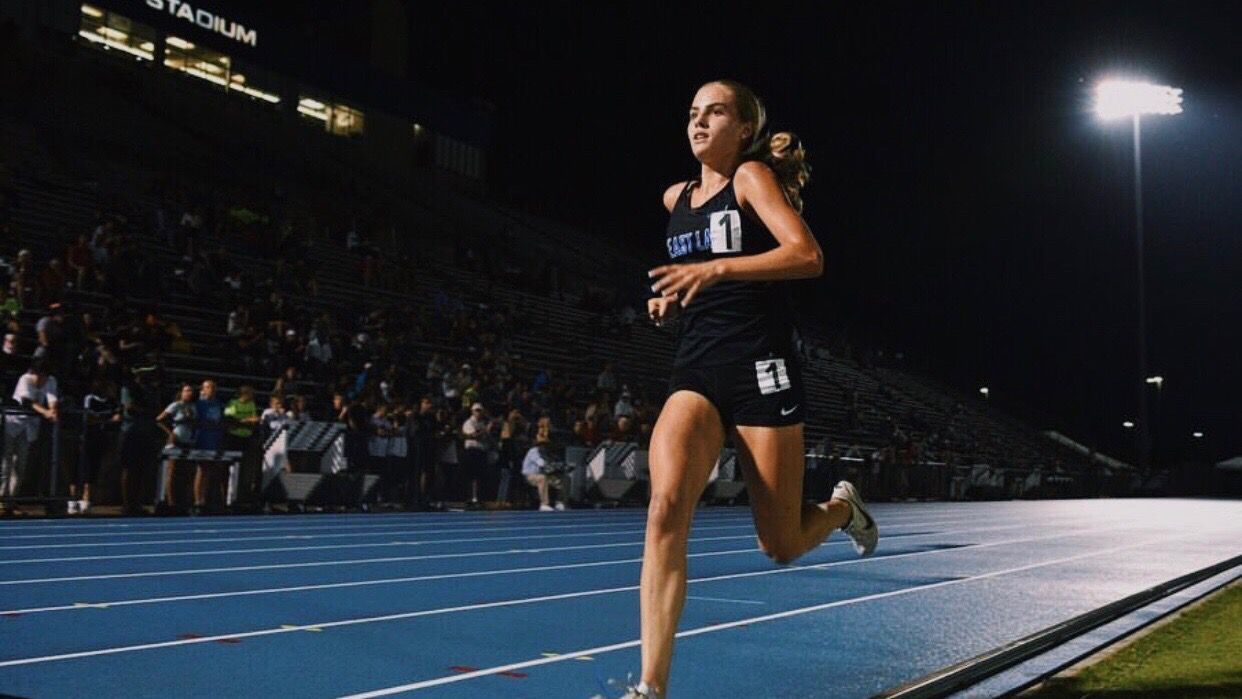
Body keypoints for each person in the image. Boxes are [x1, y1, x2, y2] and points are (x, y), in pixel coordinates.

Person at [625, 80, 879, 699]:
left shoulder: (751, 179)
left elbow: (806, 254)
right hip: (698, 369)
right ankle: (650, 688)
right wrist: (671, 300)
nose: (699, 122)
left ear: (744, 129)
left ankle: (845, 508)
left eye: (714, 112)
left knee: (781, 542)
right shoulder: (675, 197)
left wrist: (716, 268)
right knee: (664, 510)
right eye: (692, 113)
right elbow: (697, 280)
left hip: (762, 366)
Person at [2, 359, 58, 505]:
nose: (38, 378)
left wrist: (52, 410)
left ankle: (10, 501)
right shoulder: (25, 379)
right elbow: (27, 401)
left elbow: (52, 398)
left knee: (20, 466)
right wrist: (46, 412)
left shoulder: (50, 380)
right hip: (12, 425)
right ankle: (1, 499)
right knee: (5, 463)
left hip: (29, 428)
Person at [72, 378, 119, 515]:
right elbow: (88, 418)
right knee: (80, 467)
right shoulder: (90, 399)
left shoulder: (111, 402)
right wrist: (107, 420)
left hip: (100, 439)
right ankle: (74, 498)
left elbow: (117, 417)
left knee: (94, 469)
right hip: (86, 437)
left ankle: (87, 498)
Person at [155, 383, 196, 509]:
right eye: (187, 390)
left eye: (191, 391)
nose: (189, 393)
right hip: (176, 440)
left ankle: (183, 500)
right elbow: (159, 419)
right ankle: (170, 501)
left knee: (186, 472)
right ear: (181, 392)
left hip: (188, 440)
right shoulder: (176, 405)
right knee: (172, 471)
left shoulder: (193, 407)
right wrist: (170, 433)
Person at [521, 436, 565, 512]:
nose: (544, 446)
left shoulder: (545, 452)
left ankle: (559, 502)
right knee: (542, 478)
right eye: (542, 445)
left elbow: (551, 464)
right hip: (529, 476)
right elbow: (541, 463)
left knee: (559, 480)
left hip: (541, 474)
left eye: (545, 445)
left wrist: (558, 465)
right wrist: (552, 465)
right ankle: (544, 504)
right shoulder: (533, 451)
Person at [460, 402, 489, 507]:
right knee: (471, 475)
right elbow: (472, 436)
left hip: (480, 450)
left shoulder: (482, 423)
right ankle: (470, 498)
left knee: (480, 476)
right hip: (472, 451)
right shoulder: (469, 423)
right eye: (477, 410)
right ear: (472, 411)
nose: (479, 413)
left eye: (480, 411)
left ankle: (478, 498)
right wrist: (485, 431)